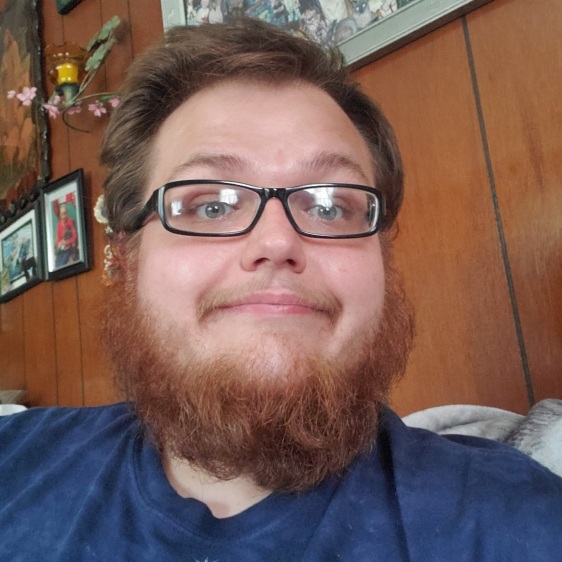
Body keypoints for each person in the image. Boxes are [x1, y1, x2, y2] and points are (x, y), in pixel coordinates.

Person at [0, 19, 561, 561]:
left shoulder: (519, 522)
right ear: (125, 256)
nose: (276, 241)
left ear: (383, 257)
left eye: (330, 205)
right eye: (211, 205)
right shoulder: (14, 459)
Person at [54, 202, 79, 268]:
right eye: (62, 214)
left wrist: (67, 242)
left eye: (65, 214)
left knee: (62, 264)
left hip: (69, 248)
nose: (64, 216)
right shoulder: (58, 224)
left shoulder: (70, 221)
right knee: (56, 265)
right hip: (62, 248)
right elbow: (58, 238)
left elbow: (74, 236)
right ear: (59, 215)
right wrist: (60, 243)